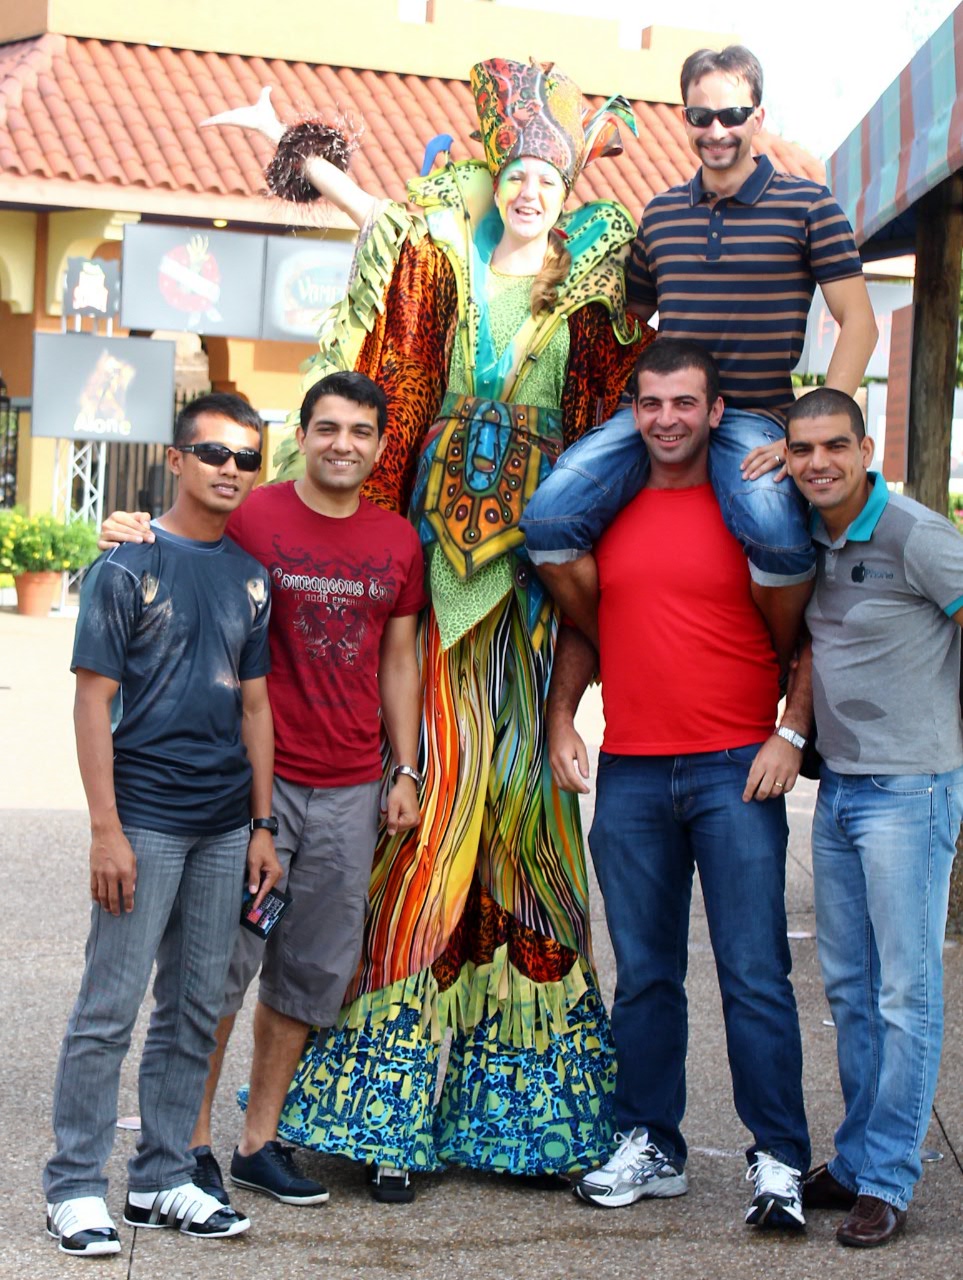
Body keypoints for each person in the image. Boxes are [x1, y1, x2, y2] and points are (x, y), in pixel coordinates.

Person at [201, 58, 651, 1197]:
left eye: (551, 177)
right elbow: (391, 233)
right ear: (498, 178)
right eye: (520, 173)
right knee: (424, 826)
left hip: (533, 598)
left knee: (527, 826)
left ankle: (520, 1115)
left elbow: (640, 389)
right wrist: (308, 162)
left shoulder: (594, 288)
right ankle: (383, 1120)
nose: (533, 190)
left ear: (568, 189)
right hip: (435, 582)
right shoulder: (441, 260)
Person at [99, 371, 425, 1208]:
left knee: (307, 975)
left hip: (351, 789)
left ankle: (257, 1142)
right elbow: (176, 540)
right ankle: (189, 1143)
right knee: (216, 970)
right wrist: (127, 529)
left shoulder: (397, 541)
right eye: (327, 428)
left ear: (379, 446)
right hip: (254, 790)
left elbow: (399, 659)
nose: (342, 444)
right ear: (302, 436)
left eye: (360, 431)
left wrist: (406, 766)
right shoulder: (252, 513)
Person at [547, 339, 811, 1229]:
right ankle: (650, 1143)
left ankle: (778, 1158)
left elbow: (810, 629)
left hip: (735, 769)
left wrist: (789, 731)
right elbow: (587, 626)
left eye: (684, 402)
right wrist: (560, 718)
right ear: (633, 413)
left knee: (755, 974)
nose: (666, 419)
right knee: (645, 976)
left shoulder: (754, 511)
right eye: (651, 403)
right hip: (631, 768)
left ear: (715, 411)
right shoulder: (607, 509)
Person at [521, 43, 877, 670]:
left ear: (758, 117)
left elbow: (861, 325)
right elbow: (628, 328)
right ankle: (615, 647)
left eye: (732, 115)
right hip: (663, 410)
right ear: (685, 118)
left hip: (754, 416)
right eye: (701, 116)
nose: (717, 130)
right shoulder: (659, 215)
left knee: (776, 537)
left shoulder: (809, 206)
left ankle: (776, 662)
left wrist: (805, 434)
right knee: (547, 521)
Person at [44, 393, 277, 1255]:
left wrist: (262, 825)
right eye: (213, 453)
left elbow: (255, 707)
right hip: (143, 819)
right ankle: (73, 1187)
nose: (229, 469)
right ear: (176, 460)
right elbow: (91, 702)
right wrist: (104, 829)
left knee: (194, 1008)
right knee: (107, 1009)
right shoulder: (125, 565)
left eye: (246, 458)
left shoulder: (250, 577)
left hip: (225, 826)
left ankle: (162, 1176)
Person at [783, 388, 963, 1247]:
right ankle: (856, 1159)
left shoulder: (915, 534)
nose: (817, 462)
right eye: (800, 449)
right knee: (851, 991)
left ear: (864, 449)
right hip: (841, 791)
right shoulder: (809, 534)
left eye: (833, 446)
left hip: (909, 790)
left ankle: (888, 1175)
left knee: (904, 993)